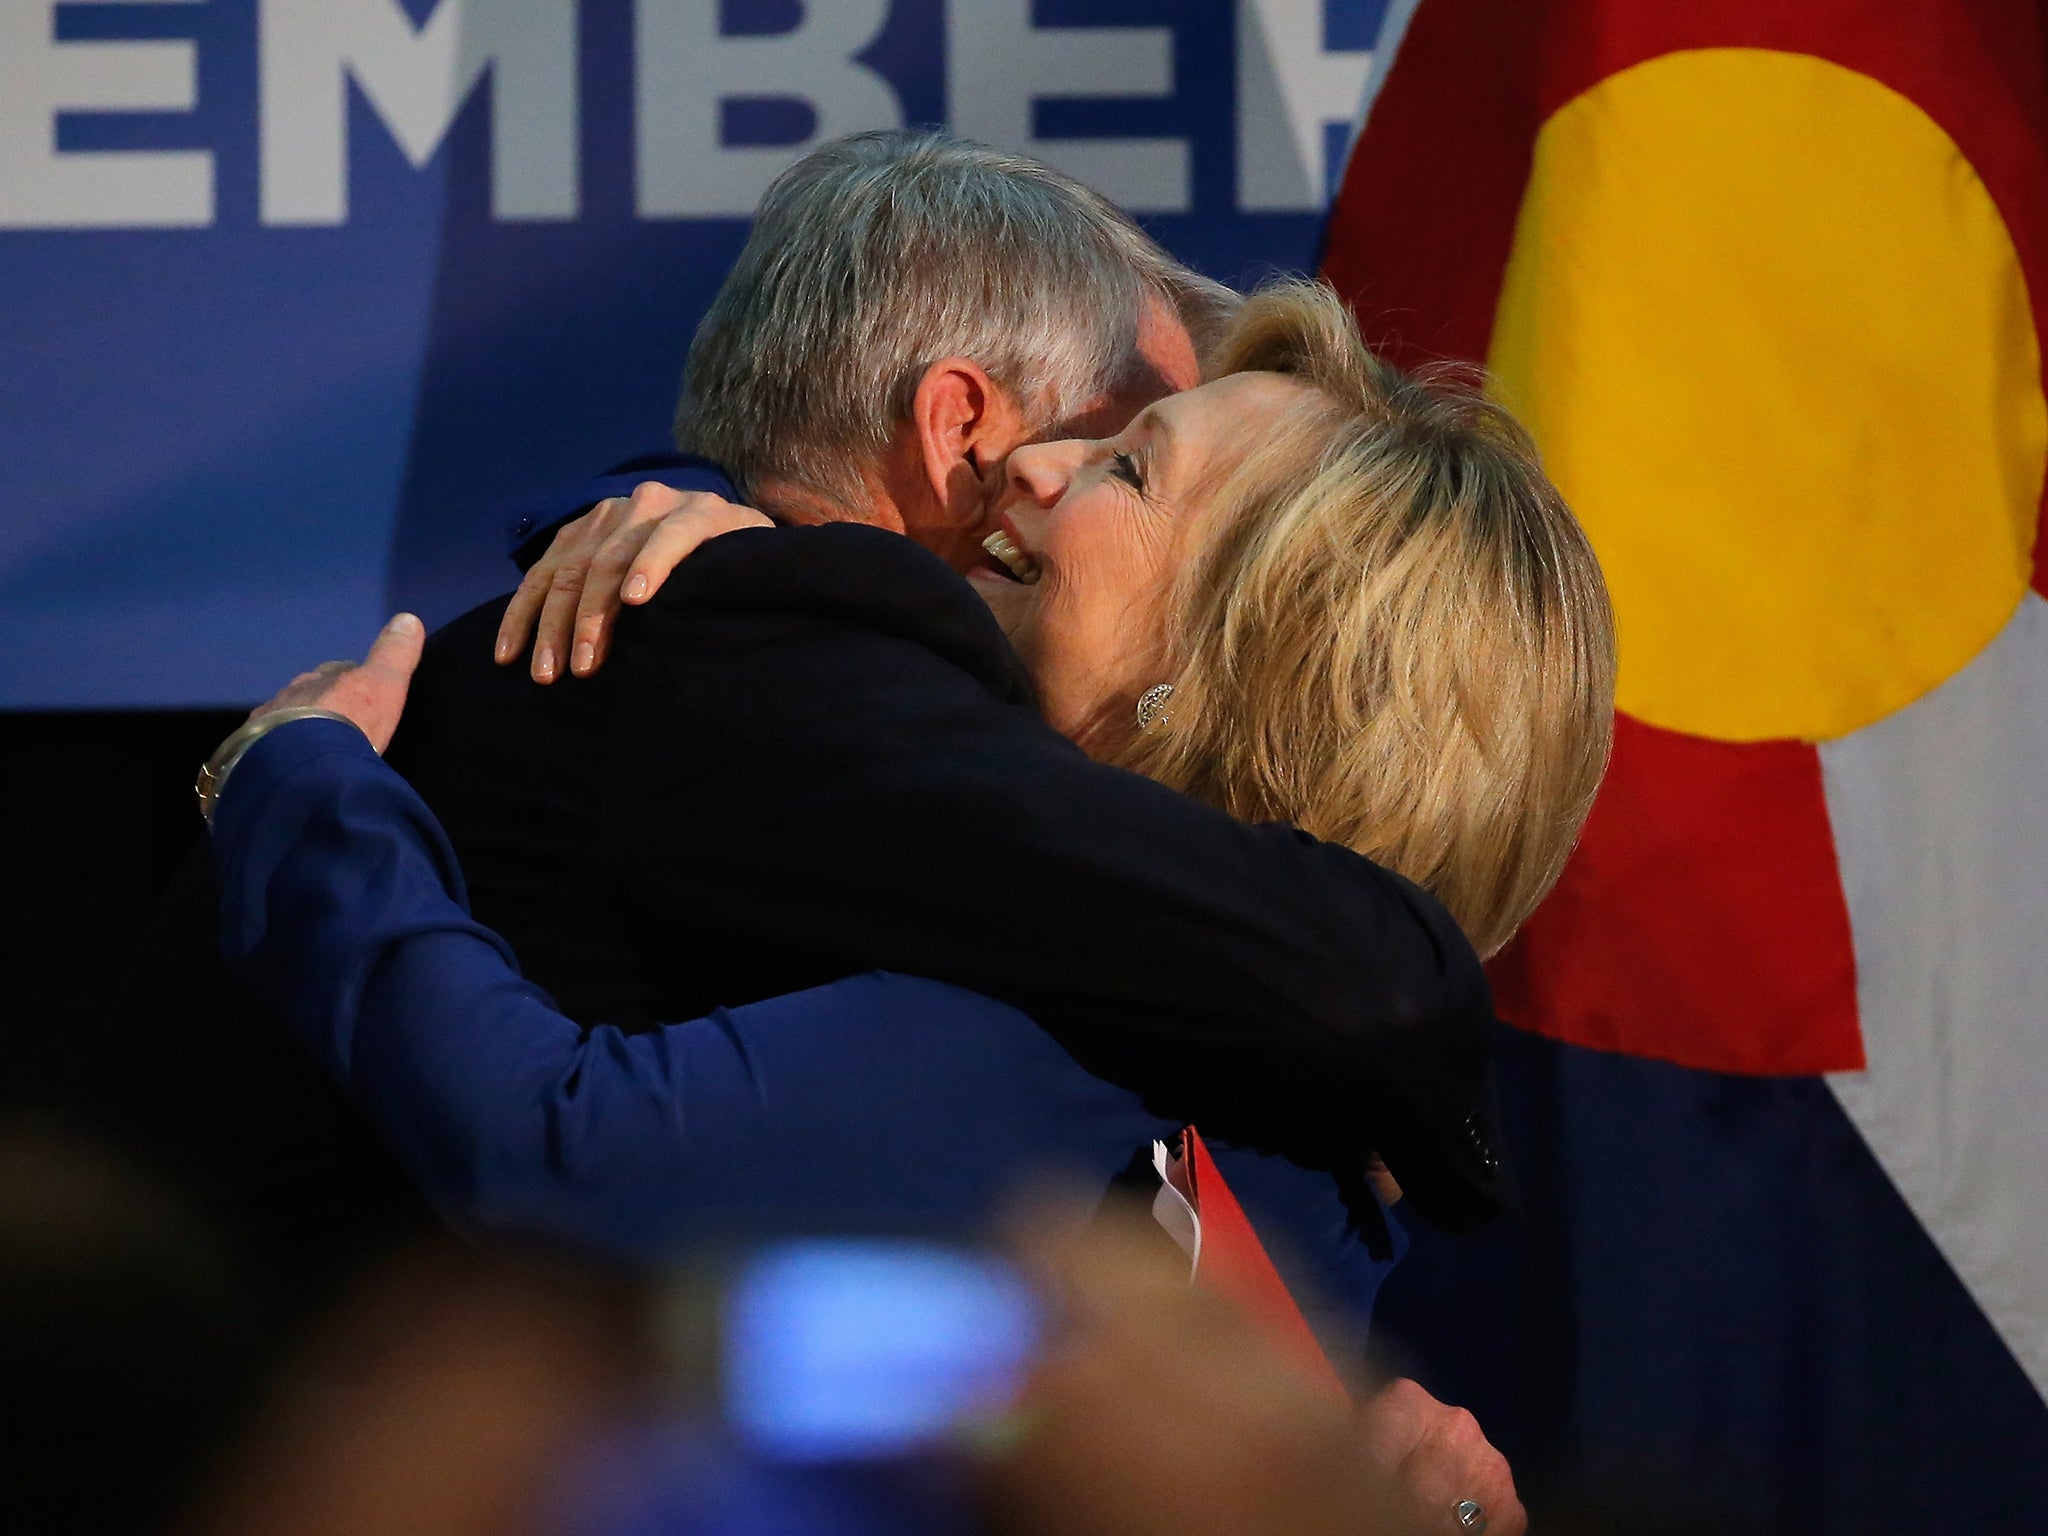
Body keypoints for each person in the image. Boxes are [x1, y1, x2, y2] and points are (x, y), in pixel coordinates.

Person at [209, 277, 1613, 1305]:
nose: (1032, 461)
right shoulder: (1331, 1166)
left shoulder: (1087, 1027)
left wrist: (307, 787)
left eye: (1129, 467)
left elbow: (552, 1156)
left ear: (1256, 662)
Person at [380, 131, 1518, 1239]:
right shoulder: (750, 647)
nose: (1042, 473)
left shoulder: (790, 666)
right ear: (958, 426)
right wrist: (288, 784)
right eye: (1122, 441)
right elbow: (553, 1151)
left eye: (1119, 466)